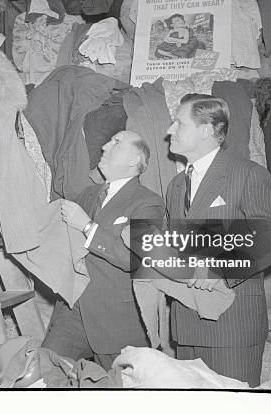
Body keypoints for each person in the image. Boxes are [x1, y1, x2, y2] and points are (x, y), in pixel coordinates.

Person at [164, 94, 271, 387]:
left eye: (179, 123)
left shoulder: (247, 174)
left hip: (232, 326)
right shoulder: (175, 186)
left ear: (206, 130)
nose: (170, 130)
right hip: (186, 325)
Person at [41, 130, 164, 370]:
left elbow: (137, 259)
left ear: (134, 160)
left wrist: (88, 227)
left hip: (116, 321)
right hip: (72, 312)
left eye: (116, 143)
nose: (105, 146)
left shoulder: (148, 202)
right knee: (43, 374)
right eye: (108, 141)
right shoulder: (88, 195)